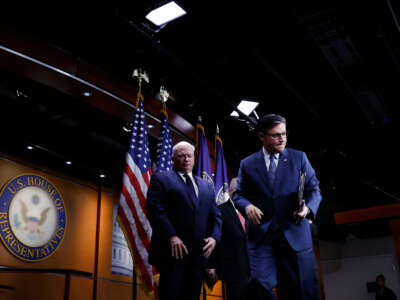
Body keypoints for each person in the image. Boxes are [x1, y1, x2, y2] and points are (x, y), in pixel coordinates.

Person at [233, 114, 322, 300]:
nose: (282, 139)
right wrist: (247, 206)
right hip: (262, 238)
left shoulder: (299, 158)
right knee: (259, 285)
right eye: (276, 135)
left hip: (295, 234)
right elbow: (238, 195)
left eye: (284, 134)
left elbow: (314, 190)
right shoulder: (247, 164)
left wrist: (307, 210)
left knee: (301, 290)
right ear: (261, 136)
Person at [146, 141, 222, 300]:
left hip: (198, 256)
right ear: (173, 159)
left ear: (194, 159)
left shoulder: (207, 186)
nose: (186, 159)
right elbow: (155, 211)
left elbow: (216, 217)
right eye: (181, 156)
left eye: (189, 156)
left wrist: (214, 237)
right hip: (172, 254)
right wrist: (171, 236)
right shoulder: (161, 179)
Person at [205, 177, 250, 300]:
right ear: (231, 191)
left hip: (254, 268)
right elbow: (212, 238)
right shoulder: (219, 211)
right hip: (233, 269)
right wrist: (210, 265)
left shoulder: (251, 211)